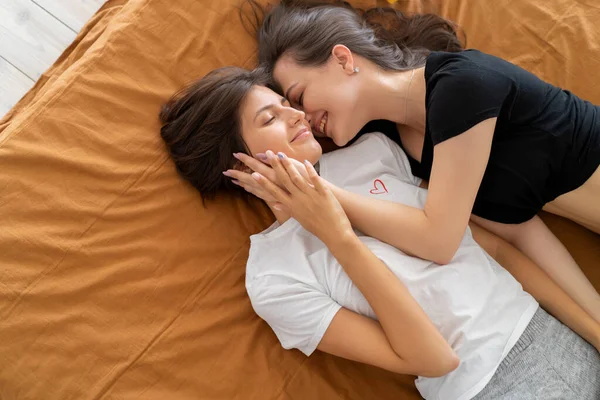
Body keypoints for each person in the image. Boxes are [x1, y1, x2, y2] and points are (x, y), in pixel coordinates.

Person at [158, 67, 600, 400]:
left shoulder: (372, 152)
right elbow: (433, 360)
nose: (297, 115)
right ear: (241, 169)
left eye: (286, 102)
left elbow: (499, 252)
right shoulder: (273, 277)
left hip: (558, 334)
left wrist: (594, 332)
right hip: (488, 386)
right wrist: (337, 237)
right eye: (270, 117)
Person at [234, 0, 600, 323]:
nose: (305, 118)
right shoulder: (399, 149)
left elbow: (439, 240)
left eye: (299, 96)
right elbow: (521, 230)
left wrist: (312, 193)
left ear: (343, 59)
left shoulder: (461, 85)